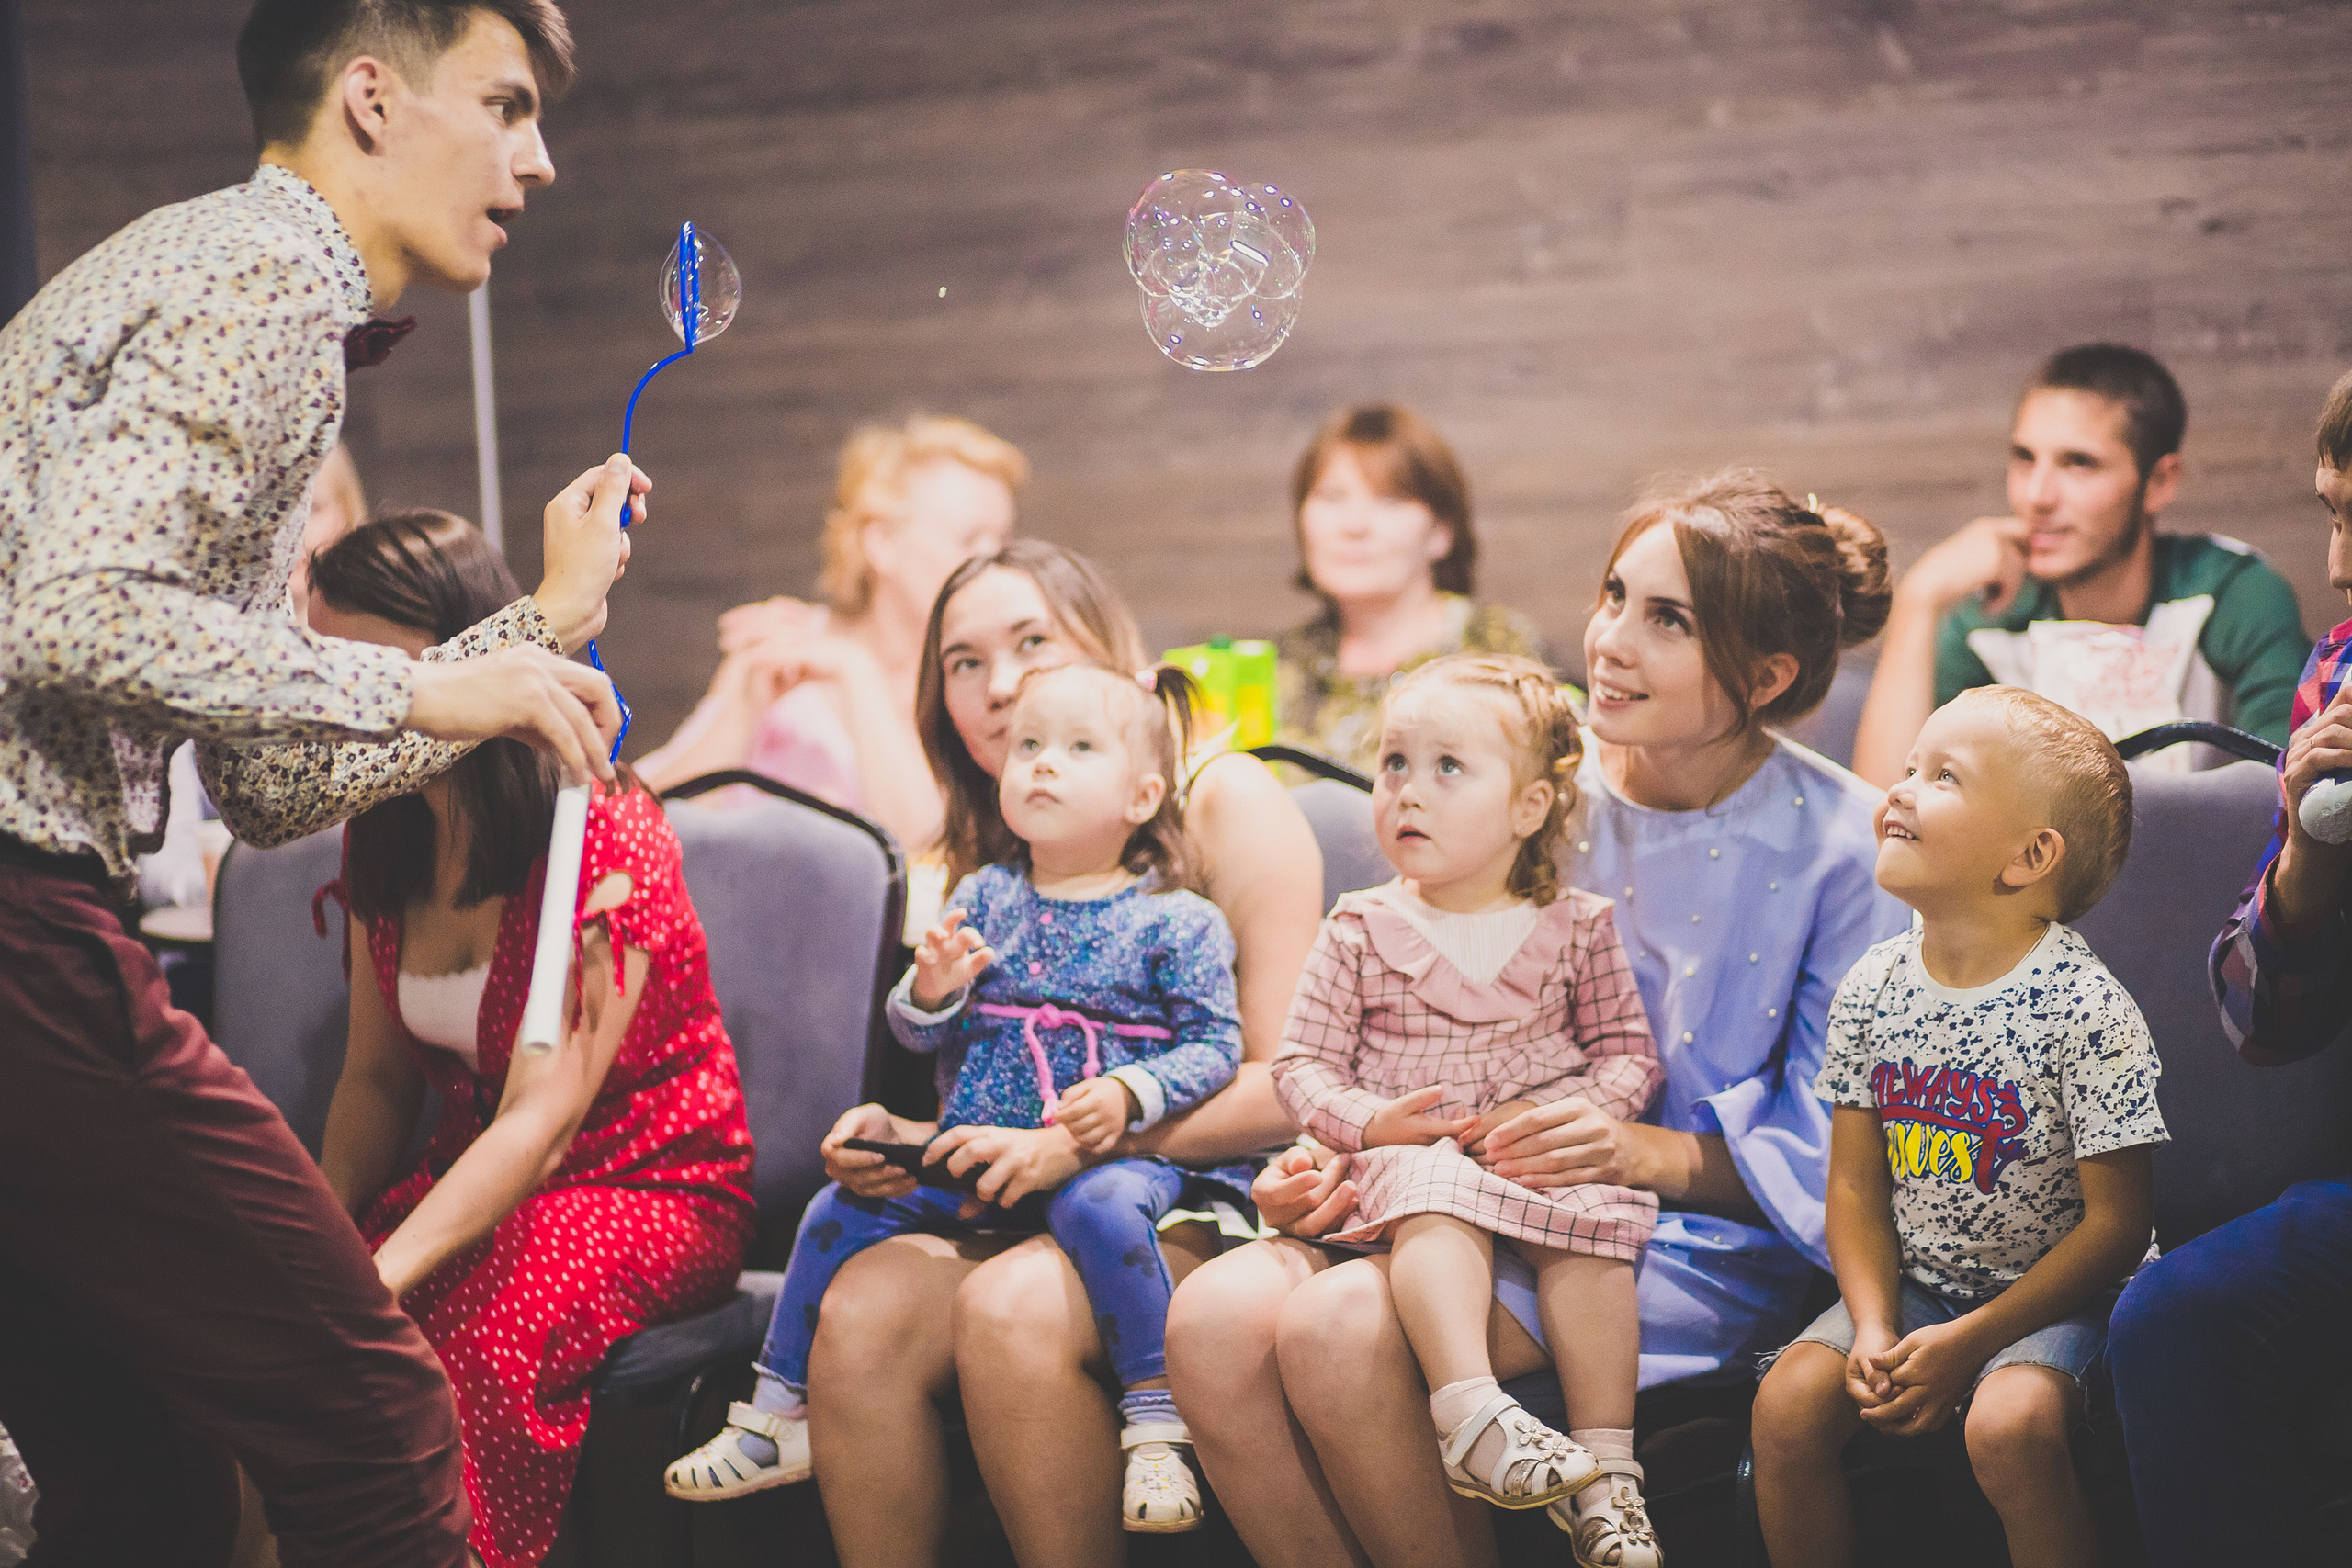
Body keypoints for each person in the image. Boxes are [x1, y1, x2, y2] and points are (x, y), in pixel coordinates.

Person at [0, 3, 646, 1565]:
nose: (538, 159)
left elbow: (273, 781)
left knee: (134, 1465)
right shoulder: (263, 280)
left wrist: (535, 630)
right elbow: (68, 616)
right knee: (373, 1411)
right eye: (503, 105)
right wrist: (428, 676)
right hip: (23, 928)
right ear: (370, 96)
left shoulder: (216, 265)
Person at [1167, 471, 1913, 1567]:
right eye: (1614, 595)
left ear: (1767, 675)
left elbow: (1836, 1154)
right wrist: (1340, 1147)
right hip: (1442, 1187)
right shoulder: (1528, 784)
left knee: (1336, 1330)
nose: (1609, 640)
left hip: (1675, 1239)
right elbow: (1391, 1016)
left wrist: (1630, 1147)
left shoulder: (1848, 849)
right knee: (1212, 1320)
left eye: (1667, 620)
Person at [686, 542, 1323, 1566]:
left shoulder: (1224, 804)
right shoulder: (988, 866)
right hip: (1024, 1184)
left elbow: (1290, 1089)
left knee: (1008, 1310)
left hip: (1194, 1186)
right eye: (964, 663)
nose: (1003, 684)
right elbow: (970, 1065)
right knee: (860, 1315)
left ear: (1107, 650)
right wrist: (907, 1138)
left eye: (1032, 641)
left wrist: (1073, 1143)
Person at [311, 511, 754, 1568]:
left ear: (467, 651)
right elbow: (373, 1085)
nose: (342, 701)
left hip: (646, 1188)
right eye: (317, 665)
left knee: (466, 1349)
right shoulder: (383, 821)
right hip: (483, 1172)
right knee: (277, 1354)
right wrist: (316, 1251)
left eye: (362, 665)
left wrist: (369, 1284)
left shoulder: (596, 823)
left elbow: (545, 1123)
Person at [1751, 686, 2163, 1568]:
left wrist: (1973, 1342)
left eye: (1942, 777)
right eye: (1906, 767)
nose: (1896, 789)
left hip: (2065, 1297)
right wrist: (1869, 1325)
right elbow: (1857, 1182)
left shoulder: (2087, 1010)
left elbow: (2118, 1228)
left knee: (2008, 1426)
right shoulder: (1872, 986)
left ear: (2028, 856)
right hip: (1918, 1287)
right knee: (1787, 1404)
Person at [1272, 654, 1666, 1564]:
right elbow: (1299, 1066)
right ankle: (1470, 1411)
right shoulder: (1360, 928)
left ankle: (1608, 1471)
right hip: (1417, 1157)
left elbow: (1625, 1056)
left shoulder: (1578, 926)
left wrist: (1572, 1117)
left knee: (1596, 1228)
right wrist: (1372, 1124)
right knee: (1433, 1191)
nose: (1407, 792)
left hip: (1532, 1154)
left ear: (1529, 808)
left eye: (1448, 768)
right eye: (1394, 764)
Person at [2107, 368, 2352, 1568]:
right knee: (2174, 1314)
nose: (2344, 564)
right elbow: (2259, 1020)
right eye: (2332, 514)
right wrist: (2309, 848)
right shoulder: (2341, 664)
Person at [1853, 343, 2309, 784]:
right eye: (2024, 459)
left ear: (2159, 483)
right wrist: (1919, 598)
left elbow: (2284, 795)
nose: (2037, 497)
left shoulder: (2232, 593)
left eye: (2079, 464)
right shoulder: (1989, 624)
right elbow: (1883, 823)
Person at [634, 414, 1023, 847]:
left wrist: (857, 674)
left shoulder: (987, 678)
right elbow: (641, 826)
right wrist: (741, 707)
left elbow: (933, 853)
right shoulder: (788, 645)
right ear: (881, 543)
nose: (991, 563)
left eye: (1001, 542)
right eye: (970, 540)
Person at [1275, 403, 1551, 765]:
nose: (1355, 525)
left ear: (1442, 531)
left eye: (1390, 501)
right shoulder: (1280, 665)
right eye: (1332, 497)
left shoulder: (1497, 651)